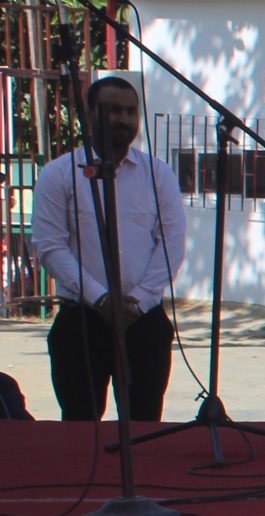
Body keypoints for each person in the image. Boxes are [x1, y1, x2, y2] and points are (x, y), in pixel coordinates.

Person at [32, 75, 185, 421]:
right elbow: (50, 247)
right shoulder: (59, 174)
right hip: (82, 321)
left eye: (131, 111)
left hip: (143, 320)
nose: (124, 119)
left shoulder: (157, 174)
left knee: (144, 424)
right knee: (80, 428)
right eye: (113, 110)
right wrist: (100, 299)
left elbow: (171, 244)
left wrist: (138, 300)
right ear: (89, 114)